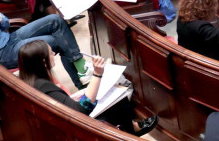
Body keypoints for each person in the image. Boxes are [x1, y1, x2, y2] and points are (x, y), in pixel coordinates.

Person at [16, 41, 156, 136]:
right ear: (43, 61)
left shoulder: (28, 80)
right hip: (73, 129)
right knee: (119, 101)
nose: (53, 55)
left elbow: (57, 101)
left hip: (56, 124)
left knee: (114, 97)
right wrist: (97, 74)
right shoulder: (43, 85)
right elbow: (80, 110)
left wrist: (68, 99)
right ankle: (132, 133)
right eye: (50, 53)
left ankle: (131, 128)